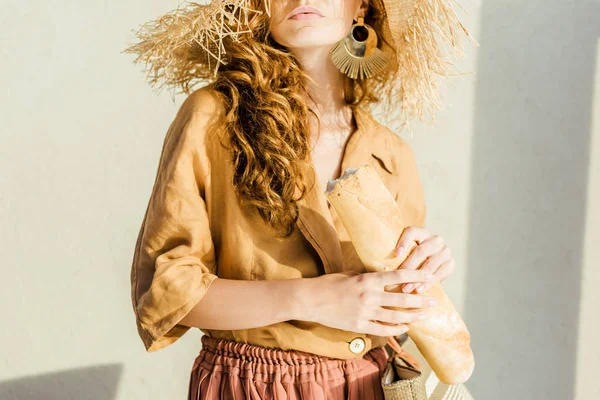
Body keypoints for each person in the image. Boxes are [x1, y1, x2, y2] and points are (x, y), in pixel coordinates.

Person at [125, 0, 474, 397]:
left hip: (371, 384)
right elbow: (166, 292)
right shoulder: (214, 119)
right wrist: (316, 299)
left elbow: (396, 316)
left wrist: (421, 272)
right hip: (253, 388)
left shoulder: (391, 153)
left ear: (361, 7)